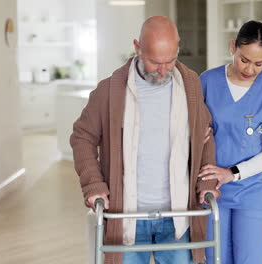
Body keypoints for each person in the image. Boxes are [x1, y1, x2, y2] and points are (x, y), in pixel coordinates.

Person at [70, 16, 219, 264]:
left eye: (170, 61)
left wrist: (207, 183)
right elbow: (82, 137)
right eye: (154, 62)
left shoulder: (190, 84)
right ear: (137, 47)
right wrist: (93, 184)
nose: (163, 70)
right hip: (126, 217)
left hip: (179, 217)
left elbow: (204, 135)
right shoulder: (109, 91)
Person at [199, 20, 262, 264]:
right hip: (211, 191)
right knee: (215, 259)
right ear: (233, 47)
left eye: (259, 63)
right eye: (244, 59)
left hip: (252, 193)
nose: (250, 69)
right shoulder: (207, 82)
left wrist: (232, 173)